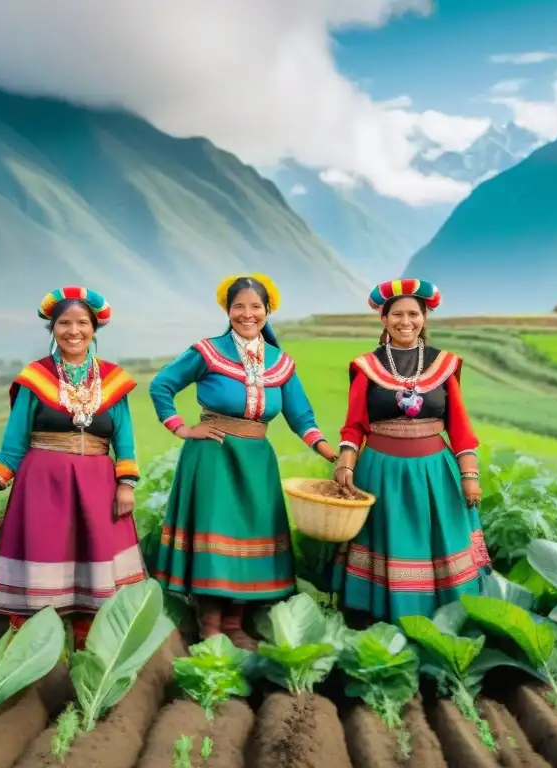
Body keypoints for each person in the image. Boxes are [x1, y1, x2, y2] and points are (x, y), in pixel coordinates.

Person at [149, 273, 336, 650]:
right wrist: (183, 428)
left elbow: (301, 417)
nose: (247, 314)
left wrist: (331, 452)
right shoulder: (207, 351)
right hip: (214, 455)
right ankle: (210, 624)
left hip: (256, 461)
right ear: (227, 310)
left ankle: (235, 622)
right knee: (216, 537)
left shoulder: (281, 363)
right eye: (239, 307)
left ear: (268, 311)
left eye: (255, 307)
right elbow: (161, 385)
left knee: (250, 537)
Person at [0, 287, 146, 650]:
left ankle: (86, 643)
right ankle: (33, 647)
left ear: (94, 328)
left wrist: (126, 484)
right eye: (64, 323)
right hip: (42, 484)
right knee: (45, 554)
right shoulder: (36, 378)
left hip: (97, 484)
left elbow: (124, 436)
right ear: (52, 328)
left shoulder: (111, 379)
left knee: (94, 558)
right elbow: (14, 443)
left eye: (81, 323)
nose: (73, 331)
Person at [332, 278, 490, 623]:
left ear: (424, 318)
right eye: (398, 314)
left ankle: (448, 621)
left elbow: (460, 427)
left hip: (435, 473)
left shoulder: (444, 365)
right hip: (380, 473)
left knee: (438, 544)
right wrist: (345, 465)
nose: (406, 321)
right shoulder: (366, 367)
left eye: (414, 314)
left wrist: (469, 475)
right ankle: (382, 621)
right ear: (384, 320)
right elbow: (354, 425)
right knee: (388, 545)